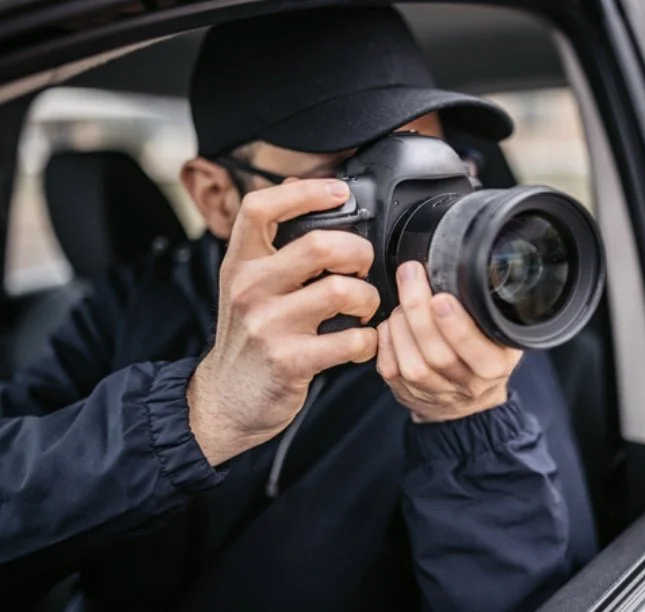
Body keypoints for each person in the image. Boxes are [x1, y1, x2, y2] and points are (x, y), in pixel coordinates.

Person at [0, 7, 597, 611]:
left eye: (433, 161)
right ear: (217, 195)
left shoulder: (471, 346)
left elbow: (541, 595)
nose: (409, 199)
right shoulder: (131, 306)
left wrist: (467, 423)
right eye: (354, 176)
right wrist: (197, 415)